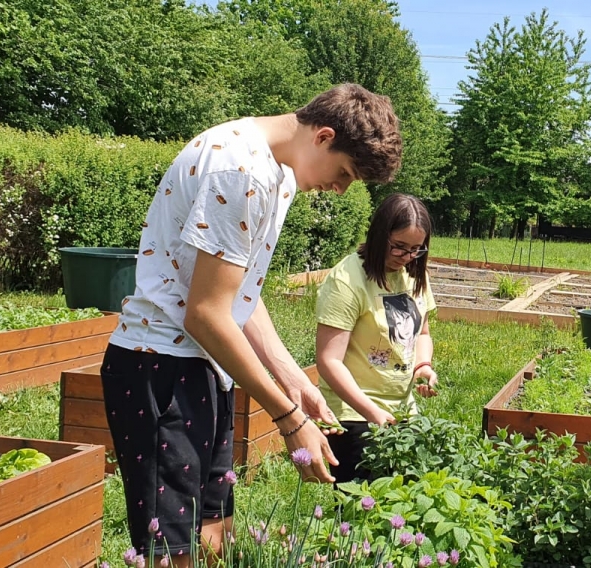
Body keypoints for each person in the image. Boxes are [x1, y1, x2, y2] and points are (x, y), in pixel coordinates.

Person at [100, 84, 403, 565]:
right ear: (323, 136)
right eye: (344, 173)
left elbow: (239, 294)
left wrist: (293, 380)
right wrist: (288, 418)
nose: (340, 189)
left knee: (214, 536)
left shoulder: (277, 171)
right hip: (160, 367)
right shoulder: (240, 169)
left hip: (206, 366)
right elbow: (206, 314)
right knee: (172, 552)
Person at [314, 193, 438, 483]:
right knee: (359, 515)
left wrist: (423, 366)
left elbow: (423, 333)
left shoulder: (413, 274)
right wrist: (372, 413)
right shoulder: (347, 280)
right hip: (354, 414)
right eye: (399, 248)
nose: (407, 257)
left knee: (405, 509)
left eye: (416, 250)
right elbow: (328, 361)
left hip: (404, 412)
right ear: (379, 236)